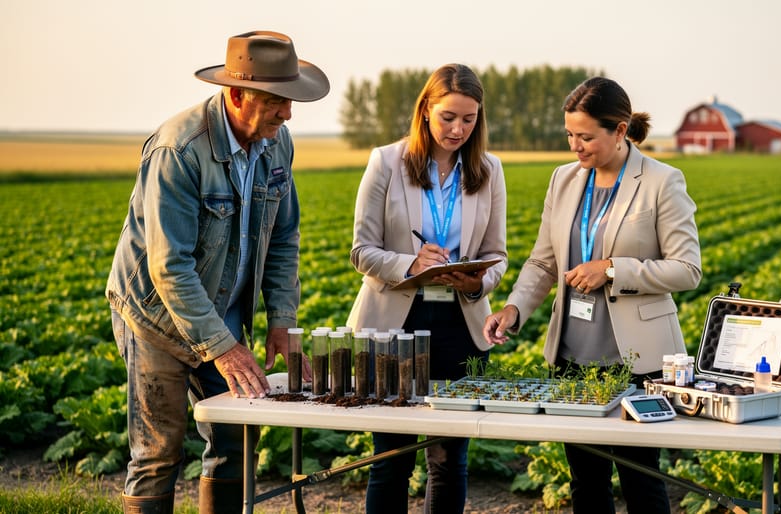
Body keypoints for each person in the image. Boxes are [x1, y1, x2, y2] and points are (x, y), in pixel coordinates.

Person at [106, 31, 329, 514]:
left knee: (237, 440)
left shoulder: (277, 145)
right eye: (276, 101)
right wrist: (224, 349)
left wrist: (282, 321)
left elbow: (284, 238)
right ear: (237, 94)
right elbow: (170, 267)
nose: (288, 114)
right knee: (157, 453)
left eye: (290, 100)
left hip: (222, 307)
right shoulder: (178, 150)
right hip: (155, 318)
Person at [482, 76, 702, 514]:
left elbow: (687, 269)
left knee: (642, 480)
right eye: (569, 135)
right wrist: (513, 308)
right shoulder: (564, 179)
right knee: (586, 481)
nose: (575, 147)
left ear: (620, 130)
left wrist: (613, 269)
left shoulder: (661, 181)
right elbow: (543, 262)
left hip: (637, 363)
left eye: (585, 137)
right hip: (573, 360)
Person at [346, 63, 507, 513]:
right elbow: (361, 251)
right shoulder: (386, 162)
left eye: (469, 119)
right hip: (394, 325)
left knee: (450, 460)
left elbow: (497, 253)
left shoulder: (489, 169)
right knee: (391, 458)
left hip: (460, 324)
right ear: (425, 111)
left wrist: (477, 281)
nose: (458, 129)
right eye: (448, 117)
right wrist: (410, 263)